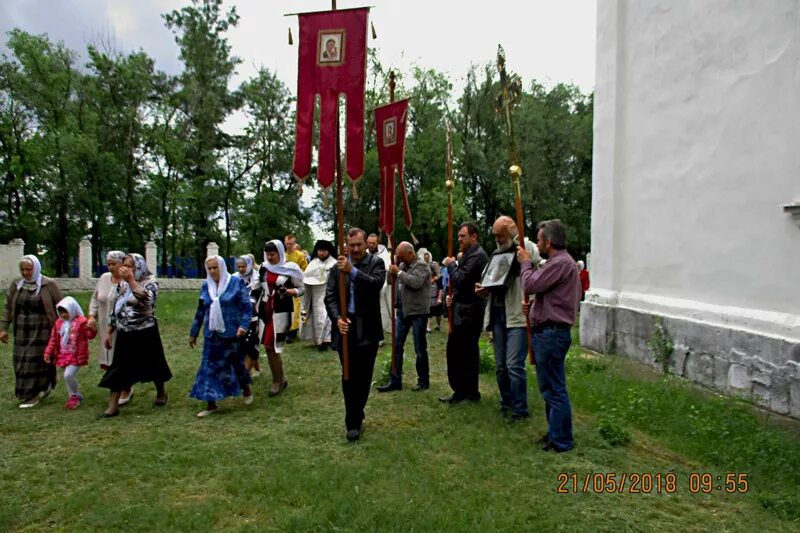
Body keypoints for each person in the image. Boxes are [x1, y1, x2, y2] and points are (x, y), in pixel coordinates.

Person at [518, 219, 581, 453]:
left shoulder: (560, 263)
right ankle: (555, 434)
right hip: (549, 331)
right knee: (550, 388)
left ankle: (561, 441)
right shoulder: (560, 263)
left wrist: (525, 264)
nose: (537, 243)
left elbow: (531, 283)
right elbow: (551, 296)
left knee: (554, 389)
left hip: (552, 334)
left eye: (539, 239)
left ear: (549, 241)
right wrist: (534, 309)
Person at [476, 216, 540, 421]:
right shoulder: (496, 253)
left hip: (516, 316)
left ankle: (521, 409)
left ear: (511, 233)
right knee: (500, 366)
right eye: (495, 235)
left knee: (513, 364)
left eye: (501, 235)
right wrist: (482, 289)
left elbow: (536, 261)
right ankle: (506, 403)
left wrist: (523, 250)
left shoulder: (524, 246)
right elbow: (488, 278)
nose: (497, 239)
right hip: (497, 315)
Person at [324, 227, 386, 441]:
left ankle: (357, 413)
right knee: (348, 374)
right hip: (346, 327)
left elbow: (376, 284)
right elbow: (330, 297)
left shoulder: (375, 263)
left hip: (367, 327)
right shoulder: (336, 268)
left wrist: (353, 271)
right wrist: (337, 318)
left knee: (364, 375)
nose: (357, 249)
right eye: (352, 246)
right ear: (346, 245)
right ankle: (353, 422)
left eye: (360, 245)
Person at [98, 253, 172, 417]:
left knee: (154, 364)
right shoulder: (121, 285)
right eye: (124, 265)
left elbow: (147, 300)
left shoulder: (150, 282)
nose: (125, 269)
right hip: (125, 332)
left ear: (138, 267)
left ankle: (161, 392)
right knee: (119, 367)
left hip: (145, 331)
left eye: (130, 266)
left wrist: (132, 281)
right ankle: (113, 405)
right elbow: (115, 307)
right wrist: (109, 331)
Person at [189, 256, 253, 417]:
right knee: (208, 368)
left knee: (236, 364)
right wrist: (194, 333)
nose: (212, 271)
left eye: (215, 268)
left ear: (222, 267)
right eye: (209, 268)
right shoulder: (206, 286)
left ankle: (245, 387)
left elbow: (246, 307)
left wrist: (243, 326)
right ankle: (211, 404)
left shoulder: (235, 283)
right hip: (212, 334)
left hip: (232, 332)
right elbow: (200, 310)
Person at [0, 255, 63, 408]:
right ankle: (26, 392)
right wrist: (3, 328)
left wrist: (63, 328)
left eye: (29, 269)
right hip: (22, 329)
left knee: (38, 361)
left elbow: (60, 306)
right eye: (22, 269)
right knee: (21, 361)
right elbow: (8, 307)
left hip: (42, 329)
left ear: (36, 268)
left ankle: (35, 393)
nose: (25, 273)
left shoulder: (49, 284)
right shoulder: (17, 284)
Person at [441, 223, 489, 403]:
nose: (459, 239)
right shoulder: (469, 255)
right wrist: (451, 298)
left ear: (474, 237)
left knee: (466, 354)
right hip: (462, 310)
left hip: (470, 313)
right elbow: (460, 285)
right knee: (457, 353)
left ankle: (468, 392)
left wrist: (451, 264)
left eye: (463, 236)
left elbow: (461, 280)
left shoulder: (477, 256)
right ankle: (461, 391)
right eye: (459, 236)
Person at [378, 241, 431, 392]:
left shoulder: (421, 265)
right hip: (402, 310)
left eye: (401, 257)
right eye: (398, 257)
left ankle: (423, 380)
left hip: (418, 312)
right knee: (397, 345)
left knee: (419, 347)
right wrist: (392, 269)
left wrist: (399, 272)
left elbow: (416, 282)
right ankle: (395, 380)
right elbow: (389, 281)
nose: (400, 260)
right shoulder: (401, 265)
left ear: (410, 253)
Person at [259, 240, 304, 396]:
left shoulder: (290, 269)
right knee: (269, 347)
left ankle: (276, 381)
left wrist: (289, 292)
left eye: (273, 254)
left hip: (282, 311)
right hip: (266, 311)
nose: (270, 258)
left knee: (273, 346)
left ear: (280, 253)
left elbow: (301, 288)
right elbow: (258, 286)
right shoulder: (264, 268)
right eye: (268, 254)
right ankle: (280, 377)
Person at [88, 250, 133, 404]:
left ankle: (126, 388)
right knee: (108, 356)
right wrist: (91, 316)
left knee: (121, 357)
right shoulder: (104, 279)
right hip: (104, 326)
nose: (111, 267)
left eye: (114, 264)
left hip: (122, 327)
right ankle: (114, 387)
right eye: (109, 264)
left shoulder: (127, 281)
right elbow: (95, 299)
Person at [44, 296, 96, 409]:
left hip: (77, 355)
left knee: (68, 375)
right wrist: (48, 352)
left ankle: (74, 396)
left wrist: (92, 329)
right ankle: (74, 395)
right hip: (63, 354)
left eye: (65, 312)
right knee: (67, 377)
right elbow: (53, 339)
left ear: (72, 310)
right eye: (60, 312)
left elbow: (89, 336)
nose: (63, 315)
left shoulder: (81, 322)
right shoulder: (59, 323)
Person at [301, 240, 337, 351]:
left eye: (324, 250)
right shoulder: (313, 263)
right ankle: (319, 340)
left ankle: (328, 340)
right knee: (319, 318)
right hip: (316, 295)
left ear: (329, 251)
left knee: (329, 317)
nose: (321, 253)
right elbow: (306, 279)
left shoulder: (333, 263)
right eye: (320, 250)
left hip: (330, 293)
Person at [233, 255, 263, 377]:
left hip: (254, 313)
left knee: (251, 341)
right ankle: (255, 368)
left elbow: (256, 297)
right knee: (243, 343)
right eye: (239, 266)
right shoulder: (234, 278)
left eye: (243, 266)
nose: (241, 269)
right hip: (238, 314)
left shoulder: (257, 278)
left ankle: (245, 374)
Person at [283, 234, 308, 344]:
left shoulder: (300, 255)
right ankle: (285, 330)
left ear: (294, 244)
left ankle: (293, 332)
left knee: (297, 310)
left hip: (296, 285)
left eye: (291, 244)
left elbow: (305, 269)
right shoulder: (282, 255)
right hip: (284, 285)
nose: (288, 246)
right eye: (287, 244)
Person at [367, 233, 393, 335]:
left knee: (382, 308)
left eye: (373, 243)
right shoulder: (364, 253)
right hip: (367, 285)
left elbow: (387, 267)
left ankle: (381, 332)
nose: (371, 245)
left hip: (381, 285)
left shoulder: (383, 253)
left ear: (377, 243)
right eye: (369, 243)